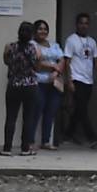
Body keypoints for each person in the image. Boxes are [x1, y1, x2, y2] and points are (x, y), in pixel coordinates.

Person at [0, 21, 41, 156]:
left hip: (14, 85)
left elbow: (6, 62)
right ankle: (25, 148)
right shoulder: (34, 49)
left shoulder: (9, 47)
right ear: (32, 35)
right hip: (30, 86)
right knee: (28, 117)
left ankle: (7, 148)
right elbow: (37, 68)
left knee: (11, 117)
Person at [62, 12, 97, 148]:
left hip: (88, 81)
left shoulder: (92, 42)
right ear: (76, 24)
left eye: (86, 23)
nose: (84, 26)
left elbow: (96, 62)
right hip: (77, 79)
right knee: (82, 109)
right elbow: (67, 62)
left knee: (79, 109)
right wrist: (69, 80)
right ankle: (92, 137)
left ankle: (68, 133)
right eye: (81, 23)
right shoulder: (71, 40)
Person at [33, 19, 65, 151]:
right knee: (35, 112)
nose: (43, 31)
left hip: (54, 83)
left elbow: (62, 60)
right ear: (35, 31)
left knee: (50, 113)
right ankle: (29, 141)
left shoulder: (54, 45)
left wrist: (56, 71)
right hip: (38, 82)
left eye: (45, 29)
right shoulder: (32, 44)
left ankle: (46, 141)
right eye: (40, 29)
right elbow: (36, 63)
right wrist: (53, 65)